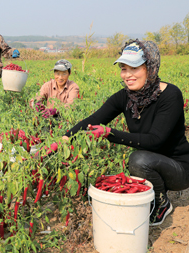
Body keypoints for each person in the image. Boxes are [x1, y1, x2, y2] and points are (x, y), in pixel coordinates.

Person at [60, 39, 189, 226]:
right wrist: (64, 138)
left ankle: (161, 203)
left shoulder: (170, 95)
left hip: (180, 169)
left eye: (134, 68)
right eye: (123, 68)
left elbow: (155, 140)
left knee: (138, 160)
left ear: (150, 68)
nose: (127, 75)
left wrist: (109, 133)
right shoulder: (125, 97)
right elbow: (93, 121)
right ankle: (154, 192)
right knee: (140, 161)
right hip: (153, 161)